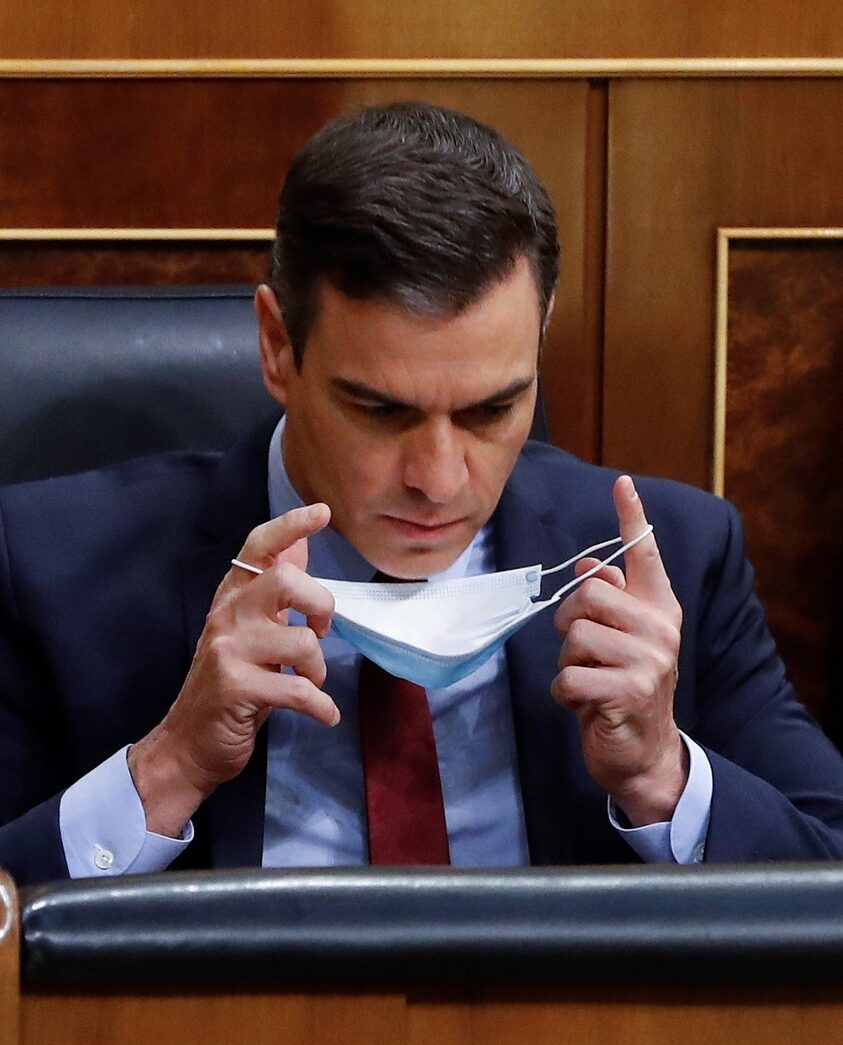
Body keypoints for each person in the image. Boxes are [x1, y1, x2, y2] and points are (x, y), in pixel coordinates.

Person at [2, 102, 842, 887]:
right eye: (380, 411)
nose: (438, 482)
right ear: (278, 347)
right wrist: (170, 767)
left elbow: (825, 883)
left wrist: (663, 774)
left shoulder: (677, 559)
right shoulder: (51, 570)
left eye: (491, 410)